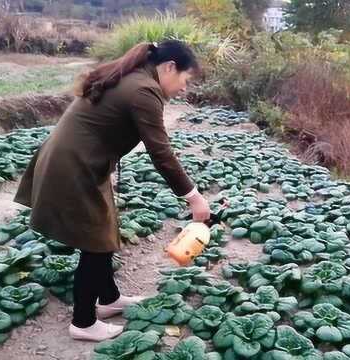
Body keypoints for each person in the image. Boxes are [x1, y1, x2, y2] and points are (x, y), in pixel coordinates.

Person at [13, 40, 211, 342]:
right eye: (186, 79)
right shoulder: (145, 90)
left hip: (80, 162)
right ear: (169, 67)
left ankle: (108, 299)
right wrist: (194, 197)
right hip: (73, 166)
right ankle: (83, 322)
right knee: (96, 244)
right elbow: (162, 153)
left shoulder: (134, 78)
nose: (185, 88)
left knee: (104, 234)